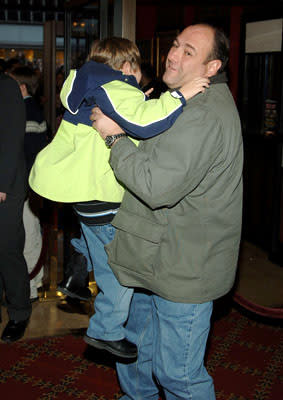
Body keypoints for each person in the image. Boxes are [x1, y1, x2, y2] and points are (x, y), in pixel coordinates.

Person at [29, 37, 209, 358]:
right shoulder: (115, 87)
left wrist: (138, 99)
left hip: (85, 197)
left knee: (95, 241)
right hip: (105, 197)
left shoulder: (89, 84)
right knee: (118, 271)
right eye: (136, 70)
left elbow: (128, 113)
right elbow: (143, 122)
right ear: (127, 67)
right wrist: (179, 96)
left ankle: (75, 271)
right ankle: (106, 331)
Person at [92, 23, 243, 399]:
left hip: (184, 268)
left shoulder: (203, 114)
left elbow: (156, 186)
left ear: (212, 67)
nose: (173, 55)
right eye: (175, 45)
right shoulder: (184, 100)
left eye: (189, 52)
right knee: (138, 356)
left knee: (178, 375)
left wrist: (115, 136)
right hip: (156, 254)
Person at [9, 66, 49, 302]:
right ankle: (30, 284)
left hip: (26, 185)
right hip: (27, 185)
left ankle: (31, 287)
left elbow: (25, 153)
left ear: (22, 87)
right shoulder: (28, 109)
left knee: (28, 236)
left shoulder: (27, 111)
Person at [0, 71, 32, 343]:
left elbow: (11, 139)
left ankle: (20, 313)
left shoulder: (6, 85)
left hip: (6, 184)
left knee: (8, 249)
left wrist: (2, 184)